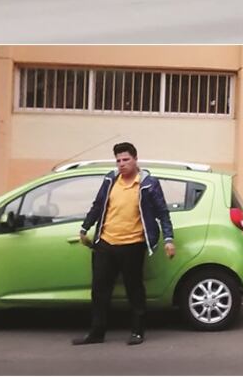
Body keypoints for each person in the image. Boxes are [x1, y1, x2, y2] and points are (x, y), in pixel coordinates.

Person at [72, 142, 175, 347]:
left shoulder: (148, 184)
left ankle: (137, 331)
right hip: (105, 243)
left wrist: (169, 239)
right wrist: (85, 228)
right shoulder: (110, 180)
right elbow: (98, 205)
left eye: (126, 159)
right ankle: (97, 332)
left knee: (134, 289)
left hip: (132, 245)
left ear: (135, 159)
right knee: (100, 290)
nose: (122, 164)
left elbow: (162, 213)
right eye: (118, 160)